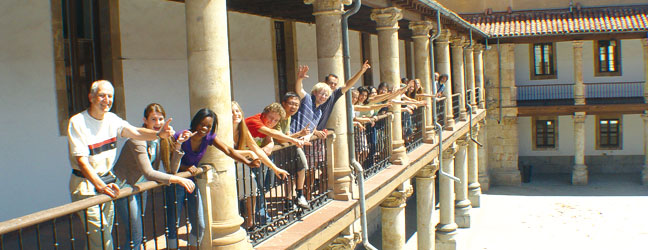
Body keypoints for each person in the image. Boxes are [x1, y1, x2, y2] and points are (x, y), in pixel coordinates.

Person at [67, 80, 174, 250]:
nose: (106, 99)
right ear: (91, 97)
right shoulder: (78, 122)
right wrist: (100, 186)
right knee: (102, 238)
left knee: (102, 236)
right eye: (102, 95)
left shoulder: (111, 119)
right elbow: (82, 161)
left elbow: (136, 132)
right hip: (87, 185)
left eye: (110, 96)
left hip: (107, 183)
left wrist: (159, 134)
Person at [166, 108, 261, 250]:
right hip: (176, 183)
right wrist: (186, 167)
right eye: (202, 124)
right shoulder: (183, 136)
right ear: (195, 122)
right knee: (173, 222)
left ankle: (193, 247)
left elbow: (228, 150)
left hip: (191, 182)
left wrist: (247, 162)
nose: (204, 128)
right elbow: (169, 163)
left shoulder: (209, 137)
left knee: (199, 223)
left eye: (208, 126)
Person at [112, 103, 196, 250]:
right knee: (135, 234)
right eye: (153, 119)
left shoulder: (159, 140)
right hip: (125, 188)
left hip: (140, 187)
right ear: (145, 120)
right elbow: (148, 172)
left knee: (136, 232)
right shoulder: (136, 139)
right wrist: (179, 180)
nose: (158, 123)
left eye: (160, 119)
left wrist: (178, 145)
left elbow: (172, 169)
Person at [290, 61, 370, 205]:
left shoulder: (329, 99)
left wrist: (362, 71)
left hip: (311, 137)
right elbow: (299, 90)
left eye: (334, 84)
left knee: (310, 168)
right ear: (324, 84)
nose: (332, 87)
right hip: (299, 137)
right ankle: (297, 197)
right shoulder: (309, 99)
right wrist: (300, 78)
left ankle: (304, 196)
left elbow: (348, 85)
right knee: (300, 169)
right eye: (330, 84)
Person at [232, 101, 289, 228]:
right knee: (235, 197)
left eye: (237, 111)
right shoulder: (225, 131)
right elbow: (227, 151)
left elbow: (258, 148)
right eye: (232, 111)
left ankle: (250, 224)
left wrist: (275, 168)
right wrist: (249, 153)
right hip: (230, 168)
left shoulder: (243, 130)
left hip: (242, 165)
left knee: (252, 191)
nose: (235, 114)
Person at [245, 103, 309, 209]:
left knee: (264, 186)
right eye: (271, 118)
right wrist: (294, 140)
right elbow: (270, 132)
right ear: (264, 114)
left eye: (276, 120)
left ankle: (259, 212)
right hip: (244, 160)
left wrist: (270, 145)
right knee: (254, 188)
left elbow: (270, 137)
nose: (272, 122)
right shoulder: (254, 121)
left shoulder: (265, 124)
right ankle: (260, 216)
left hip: (257, 158)